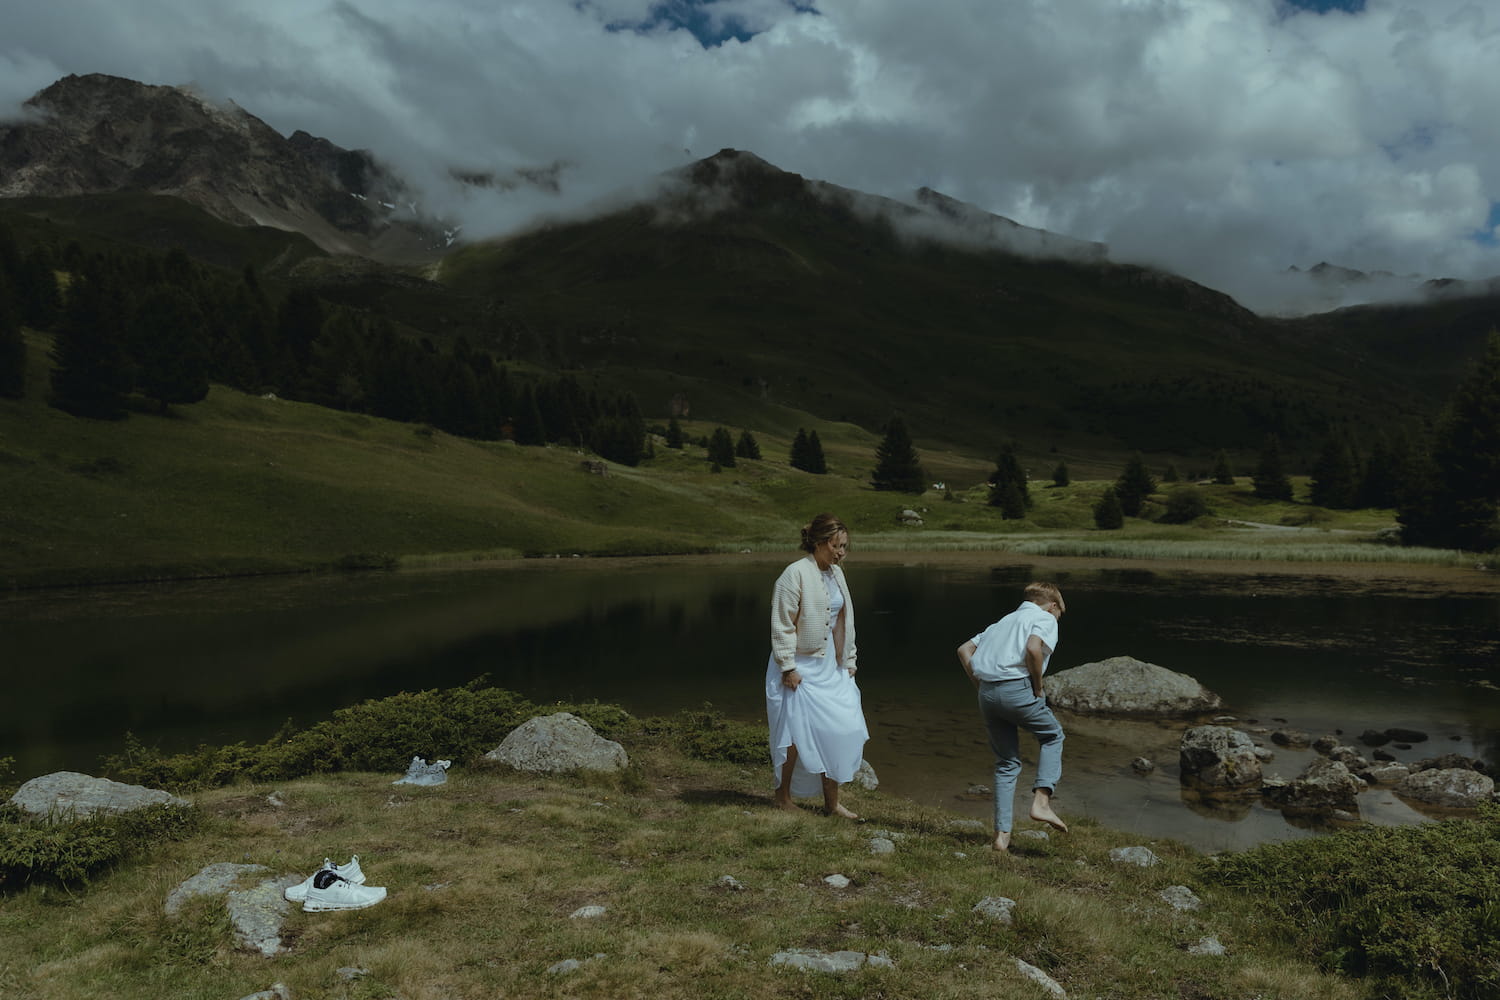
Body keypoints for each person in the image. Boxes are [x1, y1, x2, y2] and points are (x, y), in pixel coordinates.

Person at [765, 513, 869, 819]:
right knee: (793, 733)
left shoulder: (837, 574)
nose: (841, 553)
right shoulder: (794, 574)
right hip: (799, 665)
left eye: (844, 546)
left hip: (830, 666)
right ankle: (782, 797)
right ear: (819, 543)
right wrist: (787, 667)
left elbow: (844, 620)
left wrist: (848, 659)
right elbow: (782, 623)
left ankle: (832, 804)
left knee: (839, 728)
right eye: (836, 546)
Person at [956, 582, 1069, 852]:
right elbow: (1033, 649)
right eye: (1059, 615)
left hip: (988, 694)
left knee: (1006, 763)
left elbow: (963, 650)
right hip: (1017, 689)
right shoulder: (1044, 618)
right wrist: (1038, 686)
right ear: (1053, 606)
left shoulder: (1002, 622)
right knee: (1053, 736)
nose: (1057, 619)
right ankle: (1041, 802)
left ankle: (1001, 837)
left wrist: (980, 685)